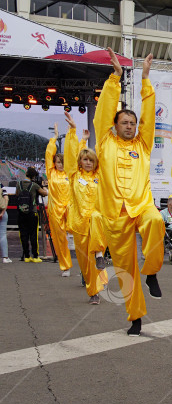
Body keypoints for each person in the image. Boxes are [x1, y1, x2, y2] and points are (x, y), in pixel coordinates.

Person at [94, 49, 165, 336]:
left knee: (156, 222)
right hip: (115, 215)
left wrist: (145, 78)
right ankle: (135, 318)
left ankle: (152, 272)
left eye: (133, 124)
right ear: (115, 125)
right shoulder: (104, 143)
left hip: (141, 206)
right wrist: (115, 78)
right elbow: (102, 112)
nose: (130, 126)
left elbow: (149, 113)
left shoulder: (143, 146)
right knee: (125, 271)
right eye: (125, 122)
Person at [63, 112, 109, 303]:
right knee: (85, 263)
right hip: (80, 223)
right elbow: (70, 155)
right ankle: (93, 293)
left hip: (97, 222)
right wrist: (74, 133)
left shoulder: (100, 176)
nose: (88, 163)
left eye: (91, 160)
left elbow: (106, 154)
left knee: (97, 217)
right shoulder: (74, 175)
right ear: (80, 162)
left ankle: (99, 254)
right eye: (85, 160)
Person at [44, 125, 73, 276]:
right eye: (57, 162)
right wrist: (54, 138)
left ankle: (91, 261)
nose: (59, 165)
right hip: (55, 209)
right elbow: (49, 154)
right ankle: (65, 266)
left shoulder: (71, 173)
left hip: (70, 208)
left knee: (83, 234)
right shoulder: (51, 173)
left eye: (62, 162)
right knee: (60, 239)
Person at [16, 167, 48, 262]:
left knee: (23, 234)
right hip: (32, 212)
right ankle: (35, 256)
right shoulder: (34, 185)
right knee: (33, 235)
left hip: (21, 212)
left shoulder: (19, 184)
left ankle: (26, 256)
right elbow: (44, 193)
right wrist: (43, 186)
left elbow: (17, 194)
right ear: (34, 176)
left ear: (26, 174)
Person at [0, 182, 9, 263]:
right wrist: (2, 212)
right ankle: (5, 257)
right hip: (1, 213)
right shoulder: (1, 186)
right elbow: (6, 198)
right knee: (2, 234)